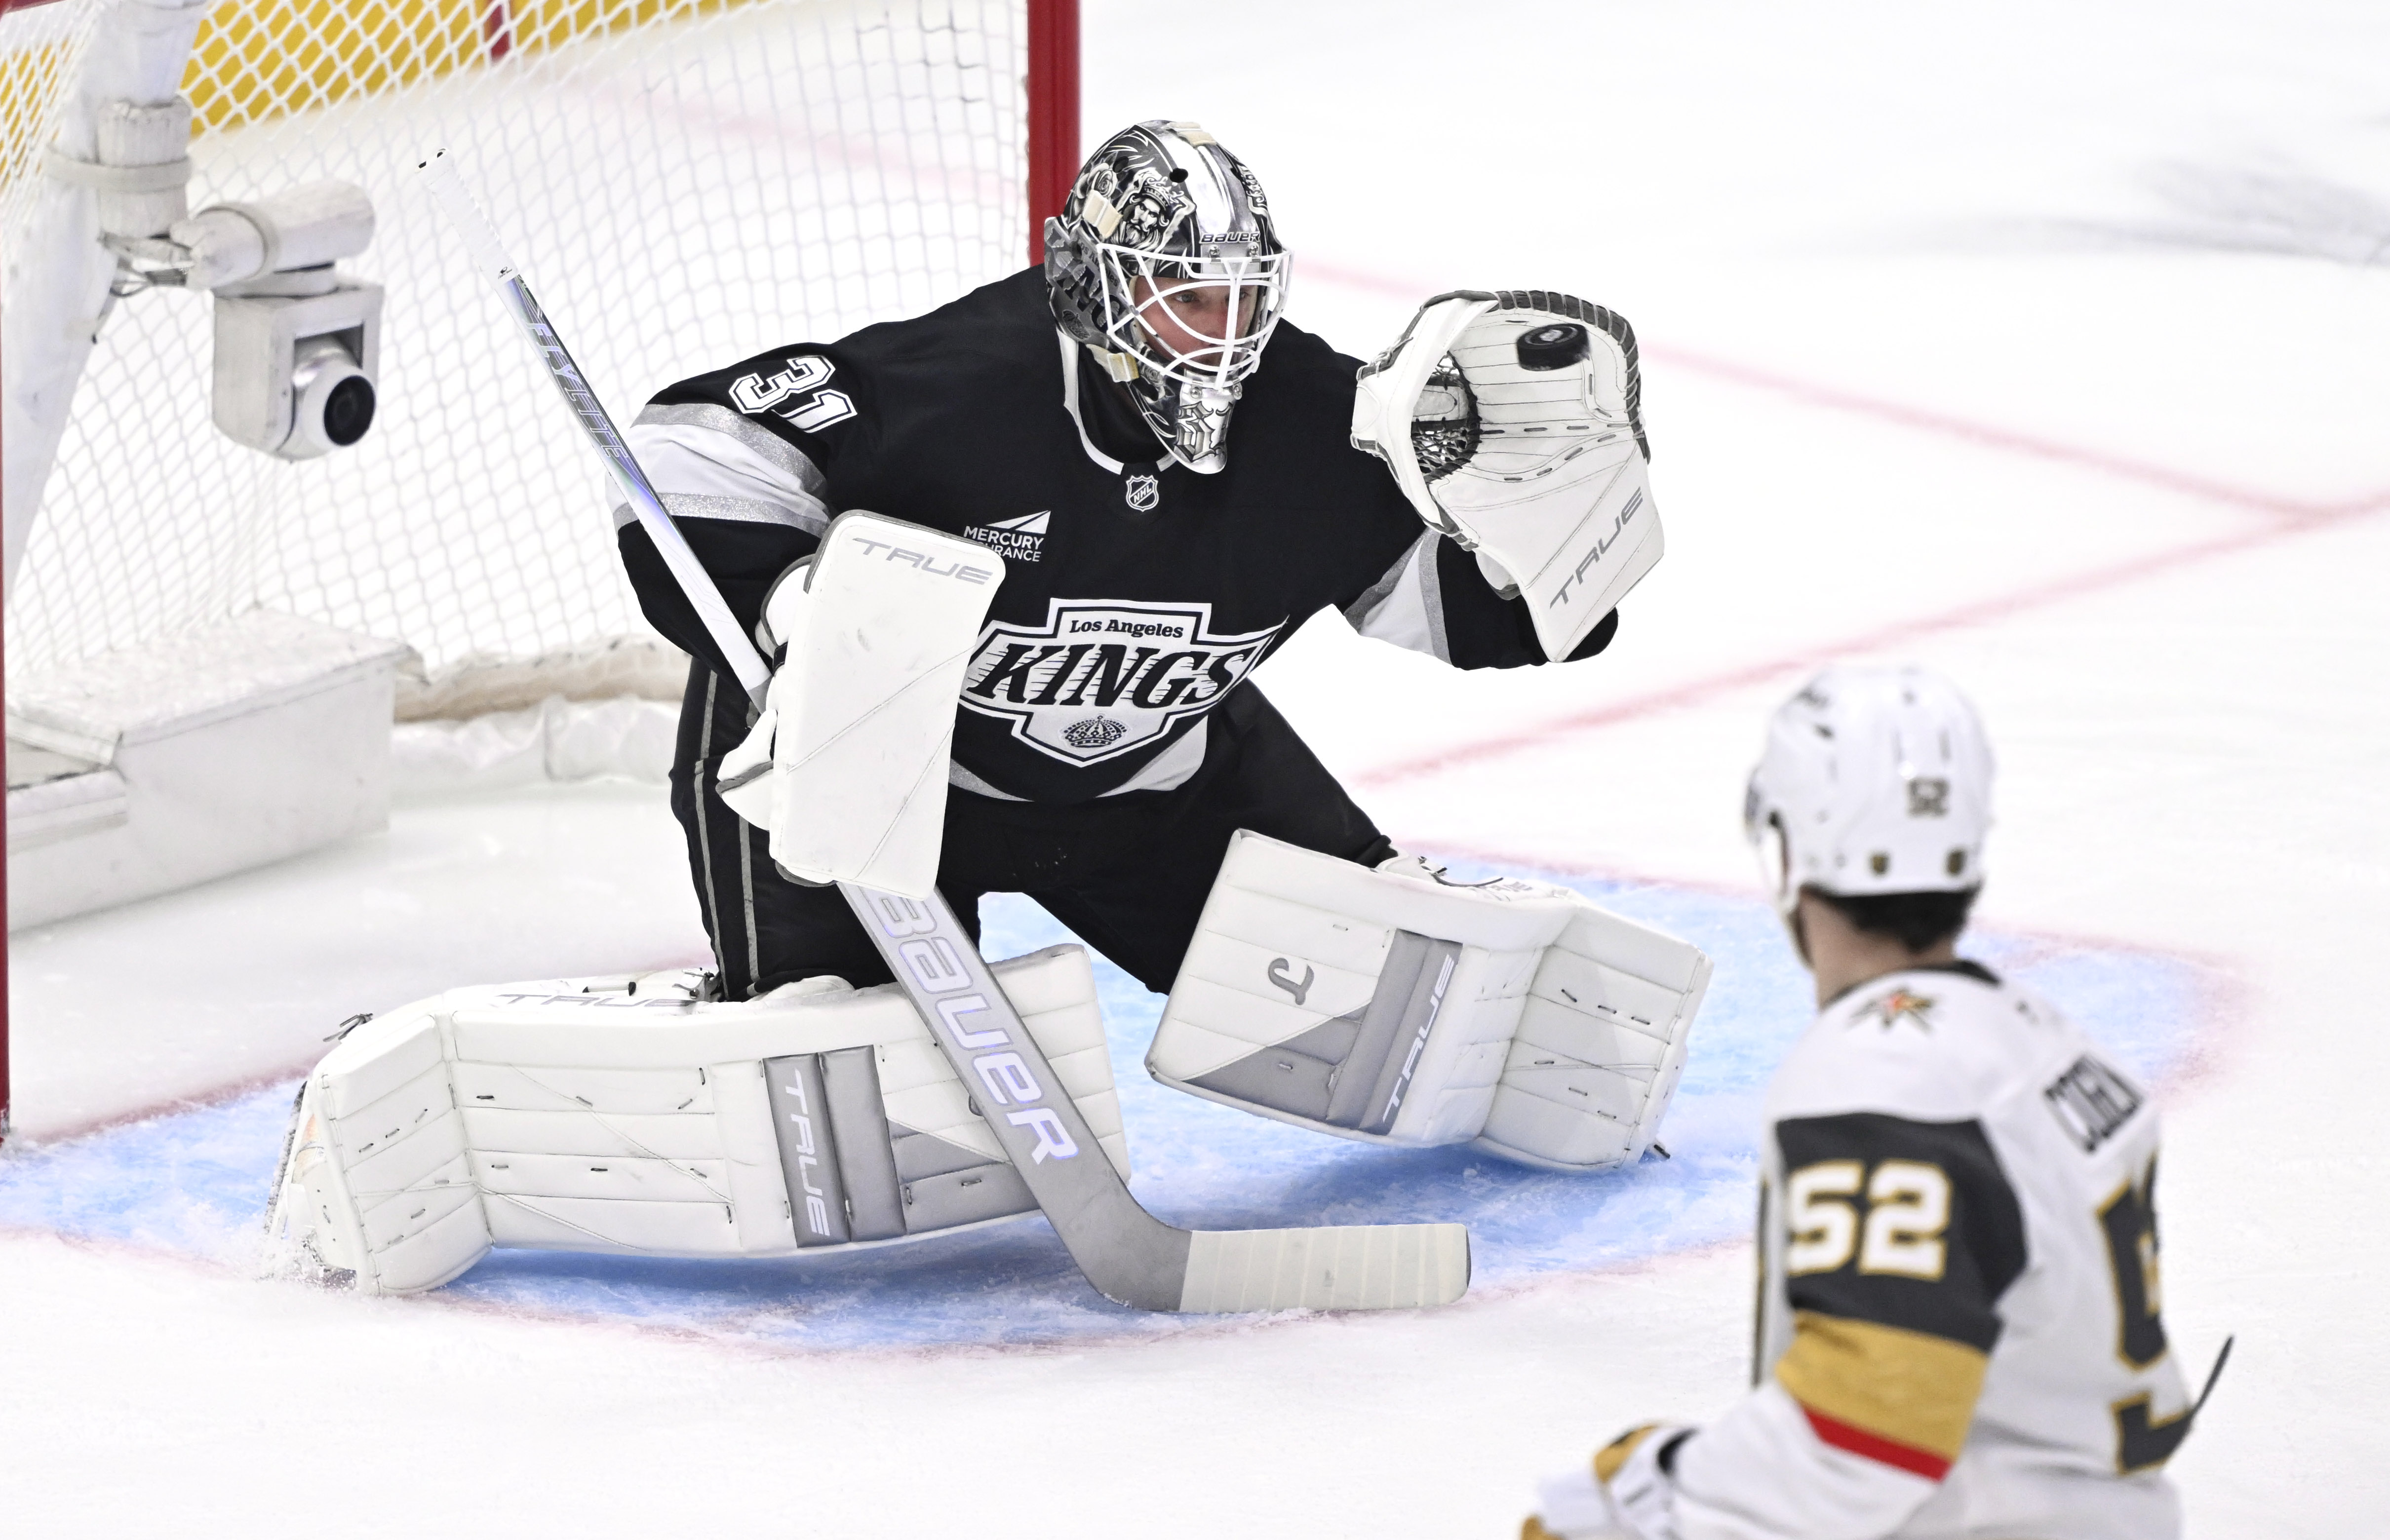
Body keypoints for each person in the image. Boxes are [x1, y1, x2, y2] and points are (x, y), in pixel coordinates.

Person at [613, 120, 1650, 1003]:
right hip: (873, 787)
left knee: (1383, 1001)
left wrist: (1541, 535)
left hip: (1154, 776)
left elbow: (1462, 612)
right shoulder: (964, 386)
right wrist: (802, 618)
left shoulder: (1310, 423)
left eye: (1244, 299)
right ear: (1089, 285)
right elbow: (686, 447)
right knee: (871, 1088)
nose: (1225, 338)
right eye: (1190, 299)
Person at [1523, 665, 2210, 1540]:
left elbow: (1872, 1426)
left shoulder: (1883, 1079)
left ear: (1786, 852)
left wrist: (1655, 1494)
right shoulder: (2039, 1040)